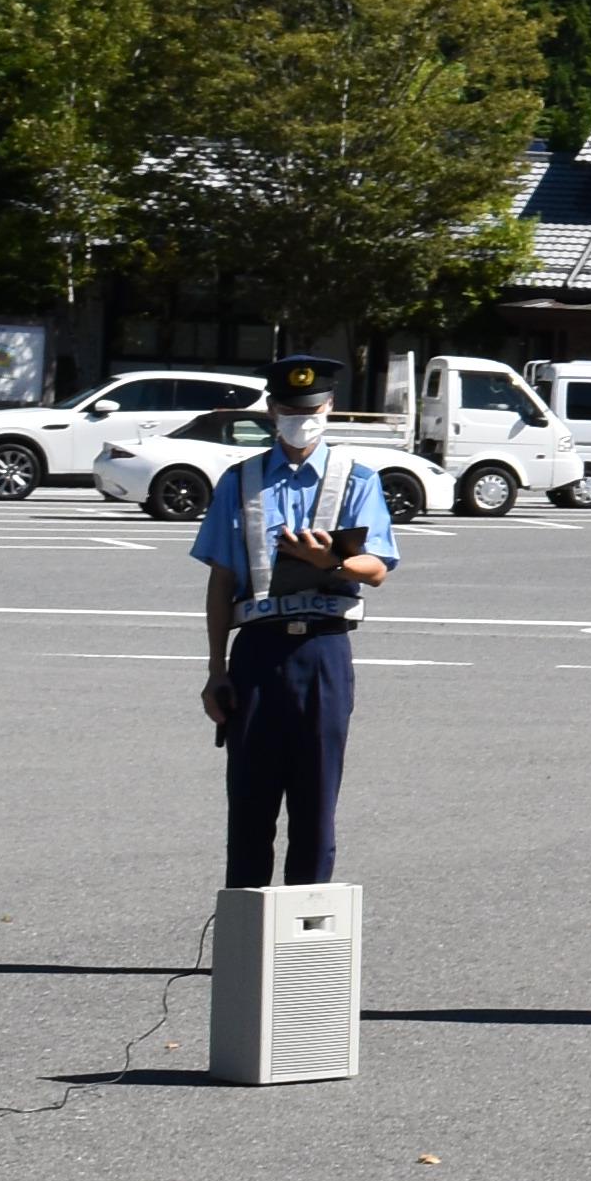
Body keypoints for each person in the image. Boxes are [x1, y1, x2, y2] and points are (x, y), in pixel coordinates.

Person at [195, 353, 393, 895]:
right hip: (257, 652)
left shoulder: (357, 479)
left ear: (329, 407)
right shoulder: (240, 481)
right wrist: (216, 670)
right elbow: (220, 581)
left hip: (324, 654)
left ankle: (301, 943)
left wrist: (329, 562)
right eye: (288, 408)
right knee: (250, 807)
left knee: (316, 806)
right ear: (272, 409)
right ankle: (245, 939)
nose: (300, 418)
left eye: (311, 408)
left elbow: (377, 569)